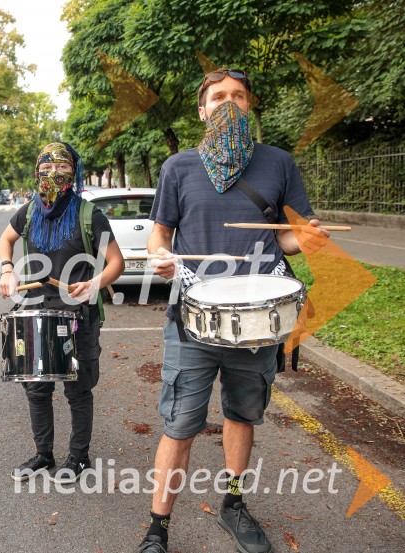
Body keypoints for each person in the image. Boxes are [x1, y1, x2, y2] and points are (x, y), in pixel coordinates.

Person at [133, 69, 330, 553]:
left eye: (238, 95)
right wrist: (161, 257)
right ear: (203, 110)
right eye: (218, 96)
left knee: (242, 416)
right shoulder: (178, 166)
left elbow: (286, 238)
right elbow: (161, 233)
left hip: (258, 318)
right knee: (180, 424)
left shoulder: (278, 162)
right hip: (192, 317)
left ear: (249, 105)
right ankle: (158, 527)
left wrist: (305, 239)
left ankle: (233, 504)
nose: (228, 102)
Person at [0, 142, 124, 483]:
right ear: (37, 173)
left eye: (62, 168)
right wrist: (7, 269)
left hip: (79, 313)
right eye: (46, 169)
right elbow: (5, 240)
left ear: (74, 172)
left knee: (78, 390)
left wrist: (95, 283)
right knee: (36, 388)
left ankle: (79, 458)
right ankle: (44, 454)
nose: (53, 174)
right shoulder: (29, 212)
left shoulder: (89, 214)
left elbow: (117, 263)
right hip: (37, 310)